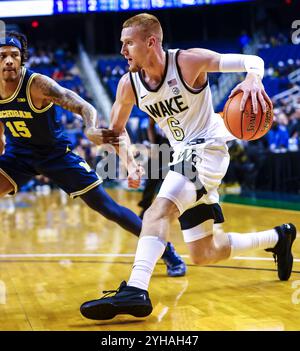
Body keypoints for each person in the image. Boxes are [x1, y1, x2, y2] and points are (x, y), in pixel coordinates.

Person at [80, 13, 297, 320]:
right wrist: (127, 161)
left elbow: (253, 61)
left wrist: (252, 78)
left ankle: (136, 289)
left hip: (208, 149)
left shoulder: (188, 62)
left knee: (157, 211)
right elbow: (116, 131)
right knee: (204, 252)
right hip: (182, 155)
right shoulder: (128, 85)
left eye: (128, 43)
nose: (122, 51)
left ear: (151, 42)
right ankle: (279, 237)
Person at [0, 31, 187, 277]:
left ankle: (168, 252)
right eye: (3, 56)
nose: (9, 61)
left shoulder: (37, 84)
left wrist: (89, 128)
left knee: (109, 208)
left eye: (14, 55)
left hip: (56, 156)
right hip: (19, 156)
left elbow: (83, 105)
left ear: (22, 59)